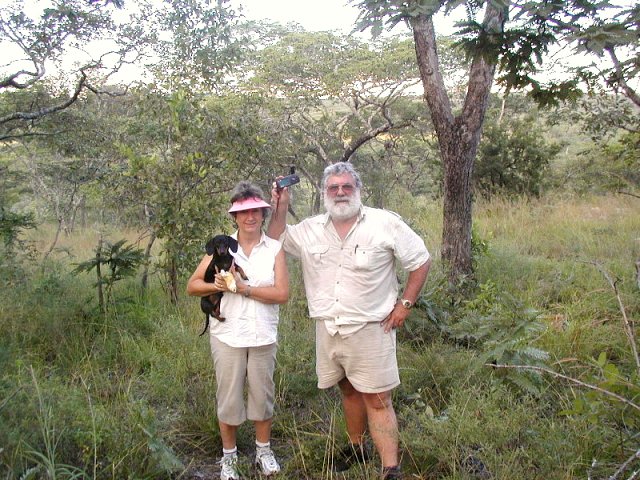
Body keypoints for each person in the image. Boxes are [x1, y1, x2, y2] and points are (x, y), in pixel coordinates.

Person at [267, 162, 431, 480]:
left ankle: (390, 468)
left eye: (346, 187)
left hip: (372, 328)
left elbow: (420, 259)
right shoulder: (311, 228)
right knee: (348, 390)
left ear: (358, 190)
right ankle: (356, 448)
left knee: (378, 398)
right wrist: (281, 205)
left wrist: (405, 304)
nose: (340, 193)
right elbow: (276, 241)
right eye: (333, 187)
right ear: (324, 192)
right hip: (328, 328)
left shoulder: (385, 223)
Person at [187, 181, 289, 480]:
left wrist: (244, 289)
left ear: (262, 212)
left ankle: (263, 450)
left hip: (262, 334)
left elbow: (282, 293)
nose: (250, 218)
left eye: (255, 211)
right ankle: (229, 456)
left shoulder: (274, 248)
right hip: (228, 335)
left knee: (262, 394)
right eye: (243, 213)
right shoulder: (221, 246)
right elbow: (193, 286)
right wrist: (215, 285)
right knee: (229, 395)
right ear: (234, 216)